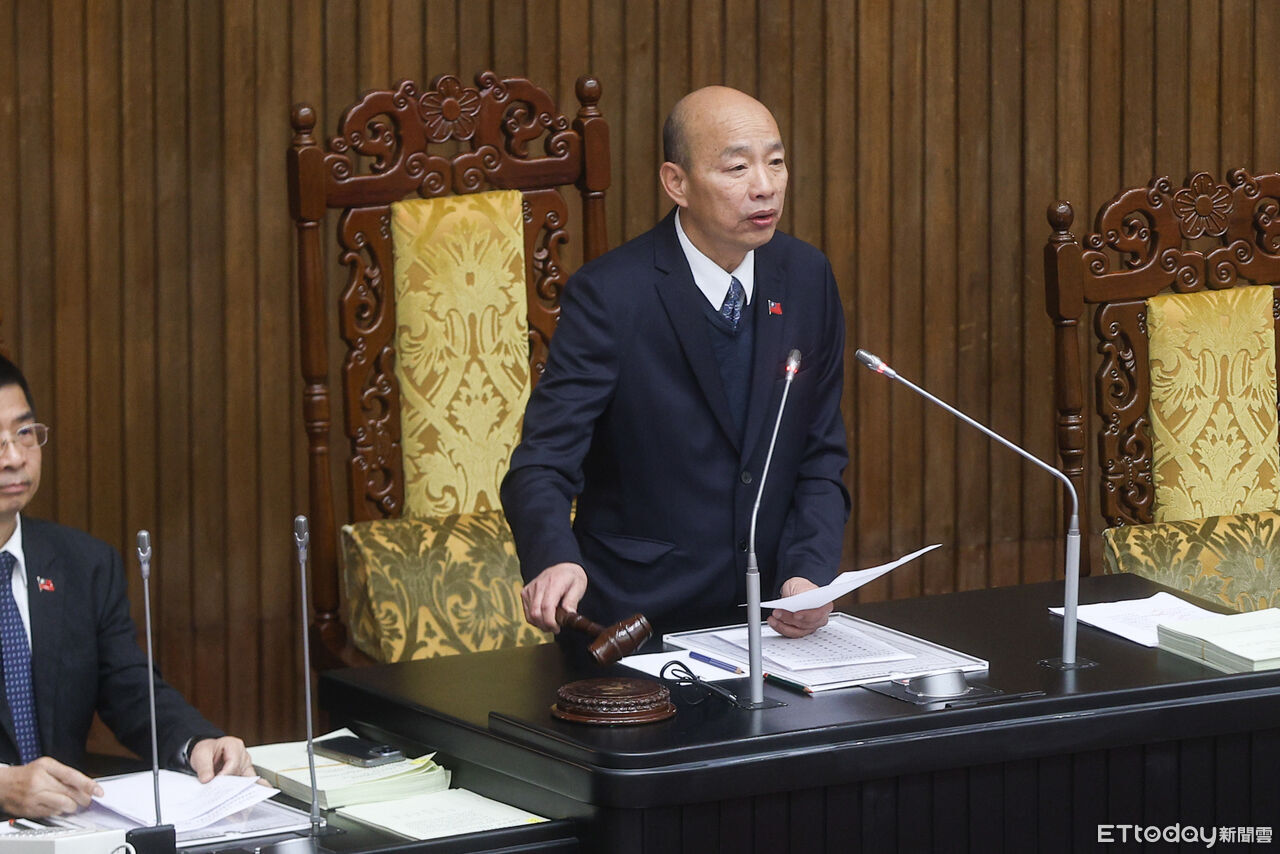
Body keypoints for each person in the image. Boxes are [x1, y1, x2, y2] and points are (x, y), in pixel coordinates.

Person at [502, 86, 850, 642]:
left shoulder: (806, 277)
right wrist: (554, 558)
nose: (765, 185)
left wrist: (809, 572)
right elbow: (543, 461)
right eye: (737, 167)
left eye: (776, 162)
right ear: (676, 183)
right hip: (636, 624)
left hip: (770, 624)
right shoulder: (611, 295)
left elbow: (820, 451)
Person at [0, 355, 254, 818]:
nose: (15, 457)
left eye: (24, 433)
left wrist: (198, 743)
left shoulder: (83, 563)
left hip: (68, 833)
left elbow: (130, 689)